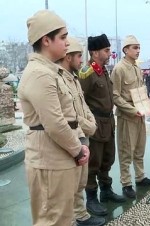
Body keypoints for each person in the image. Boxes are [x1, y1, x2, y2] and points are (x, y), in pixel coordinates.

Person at [18, 10, 90, 225]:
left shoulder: (50, 71)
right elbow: (55, 123)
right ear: (46, 40)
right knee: (53, 220)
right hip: (50, 158)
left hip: (58, 155)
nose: (68, 43)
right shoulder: (40, 74)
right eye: (63, 37)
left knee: (63, 218)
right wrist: (77, 150)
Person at [57, 37, 105, 226]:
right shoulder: (59, 78)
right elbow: (69, 114)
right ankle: (72, 218)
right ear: (68, 57)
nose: (81, 60)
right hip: (73, 136)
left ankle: (81, 214)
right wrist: (88, 125)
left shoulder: (75, 79)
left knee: (81, 181)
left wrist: (90, 123)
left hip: (83, 135)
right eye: (78, 56)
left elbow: (83, 107)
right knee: (71, 183)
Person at [79, 34, 126, 216]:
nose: (109, 53)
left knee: (107, 158)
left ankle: (106, 190)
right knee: (94, 162)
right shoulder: (87, 73)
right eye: (106, 50)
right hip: (96, 124)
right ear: (95, 52)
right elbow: (79, 101)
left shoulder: (103, 70)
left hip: (108, 122)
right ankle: (92, 198)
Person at [111, 35, 150, 199]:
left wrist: (149, 103)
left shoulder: (137, 68)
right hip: (127, 115)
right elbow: (115, 96)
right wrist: (131, 110)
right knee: (126, 150)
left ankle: (140, 176)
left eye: (139, 47)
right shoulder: (119, 69)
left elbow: (141, 90)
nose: (138, 51)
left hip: (140, 114)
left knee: (139, 147)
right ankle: (126, 183)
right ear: (125, 50)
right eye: (134, 48)